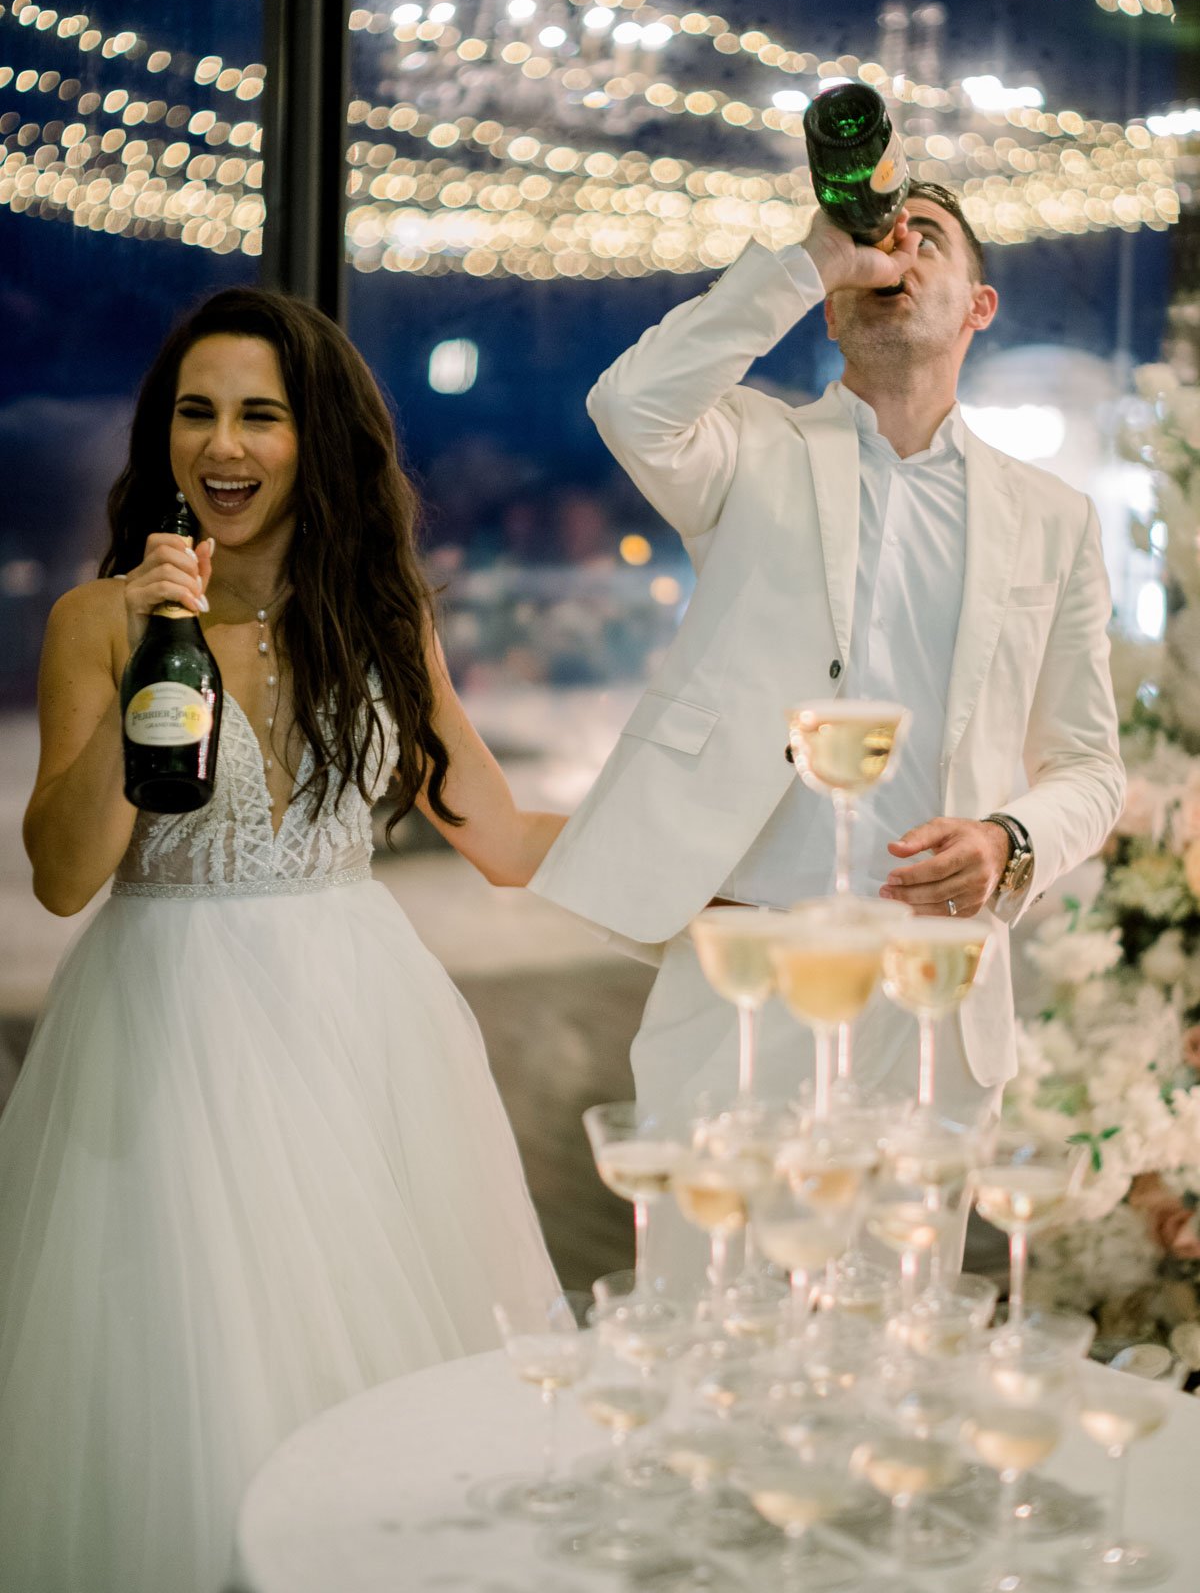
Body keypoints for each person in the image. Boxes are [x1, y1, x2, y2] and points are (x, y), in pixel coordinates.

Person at [4, 289, 563, 1593]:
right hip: (167, 1045)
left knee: (391, 1386)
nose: (224, 445)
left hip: (366, 1034)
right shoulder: (99, 622)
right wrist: (158, 657)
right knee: (193, 1382)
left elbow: (499, 836)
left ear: (315, 437)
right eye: (196, 413)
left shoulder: (380, 615)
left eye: (260, 414)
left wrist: (715, 860)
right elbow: (63, 876)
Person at [532, 187, 1125, 1141]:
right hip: (747, 965)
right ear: (830, 309)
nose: (896, 251)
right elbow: (630, 405)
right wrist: (811, 259)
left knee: (908, 1244)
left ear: (980, 307)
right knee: (706, 1238)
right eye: (877, 240)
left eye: (926, 240)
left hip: (935, 986)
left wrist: (1009, 843)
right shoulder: (748, 447)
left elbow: (1090, 766)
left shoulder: (1056, 520)